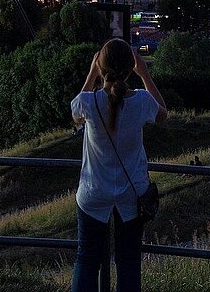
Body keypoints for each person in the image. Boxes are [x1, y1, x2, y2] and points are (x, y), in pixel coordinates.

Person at [70, 38, 168, 292]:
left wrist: (92, 72)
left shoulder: (88, 103)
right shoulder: (142, 101)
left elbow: (75, 114)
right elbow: (163, 114)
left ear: (101, 68)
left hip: (93, 193)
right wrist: (145, 74)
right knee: (128, 263)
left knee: (87, 260)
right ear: (130, 69)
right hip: (132, 195)